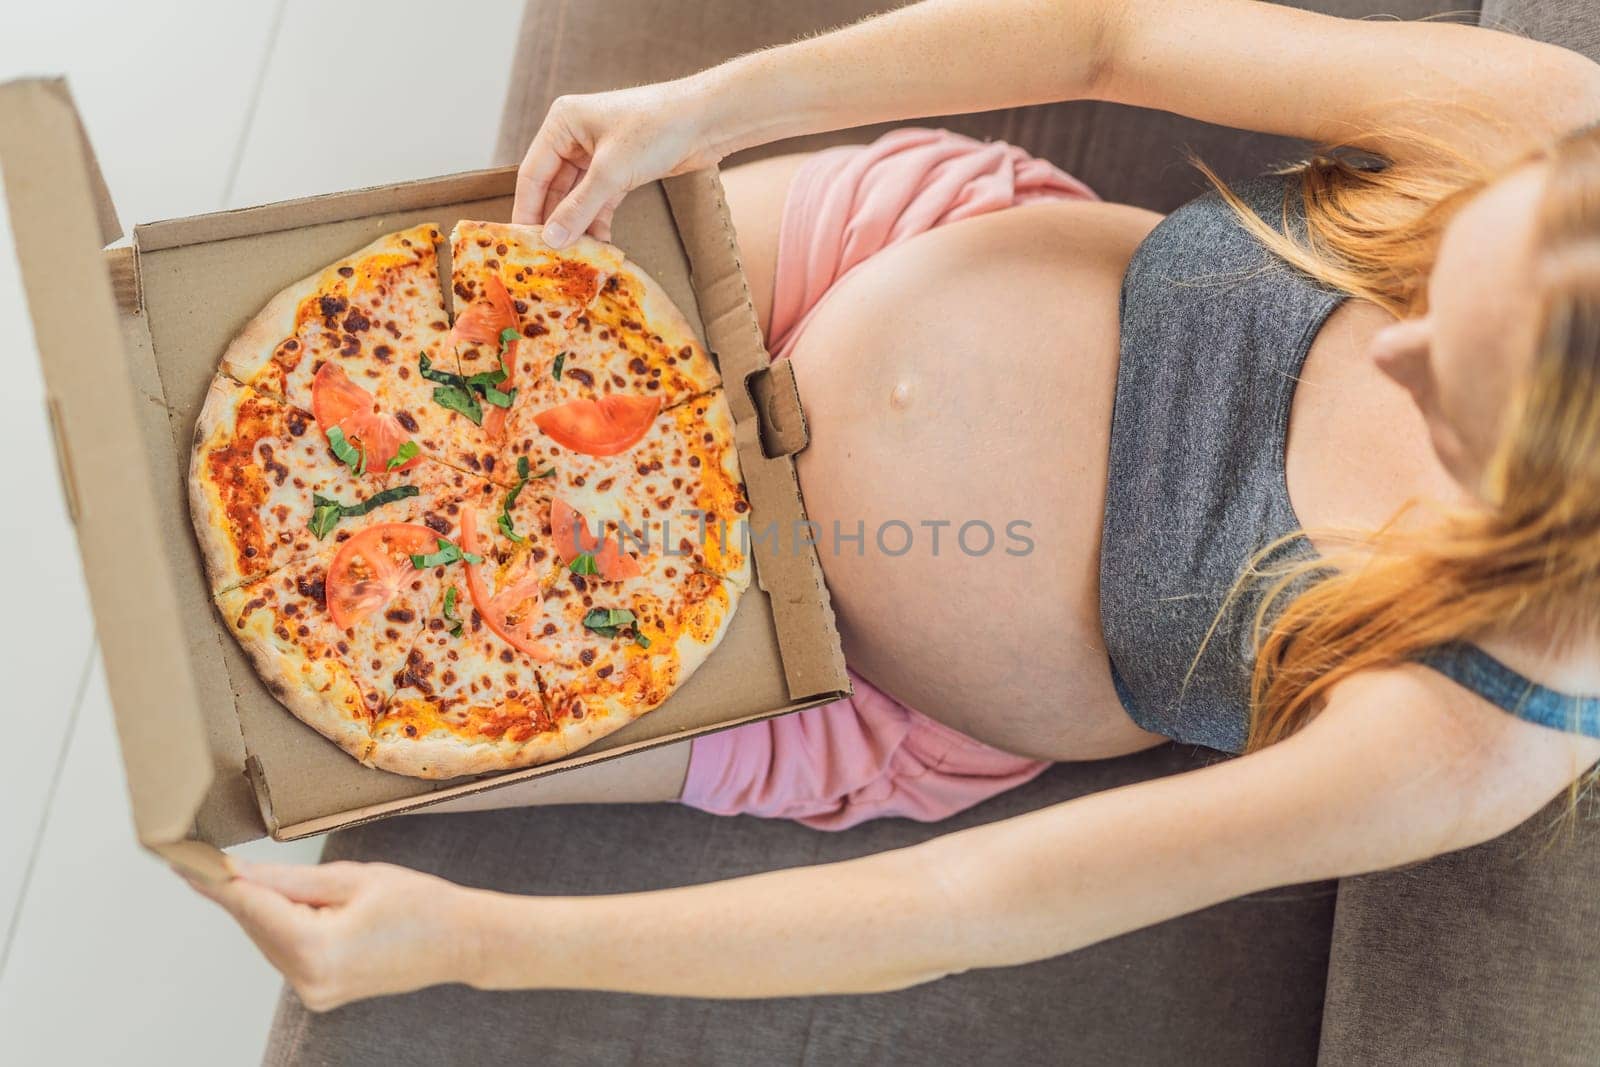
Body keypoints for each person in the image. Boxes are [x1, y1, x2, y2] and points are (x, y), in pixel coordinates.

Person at [190, 0, 1600, 1011]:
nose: (1393, 347)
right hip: (879, 245)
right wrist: (710, 107)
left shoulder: (1481, 730)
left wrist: (468, 940)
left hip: (844, 694)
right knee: (326, 392)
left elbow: (969, 908)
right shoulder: (1556, 134)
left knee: (254, 736)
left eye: (1442, 401)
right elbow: (1108, 34)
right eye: (1442, 286)